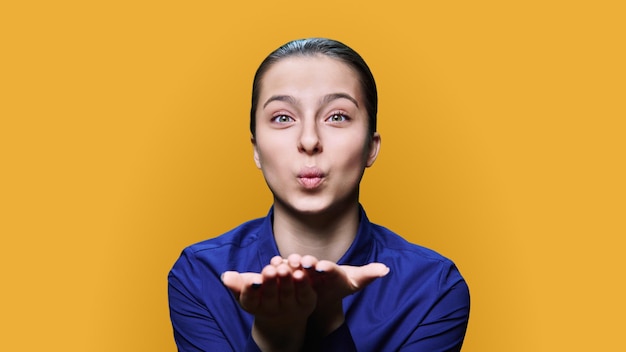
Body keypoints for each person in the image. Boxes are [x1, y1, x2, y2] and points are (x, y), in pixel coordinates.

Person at [168, 38, 470, 352]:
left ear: (371, 146)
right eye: (283, 117)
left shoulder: (434, 288)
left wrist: (327, 319)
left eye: (337, 116)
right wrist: (272, 337)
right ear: (256, 149)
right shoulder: (199, 275)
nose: (309, 140)